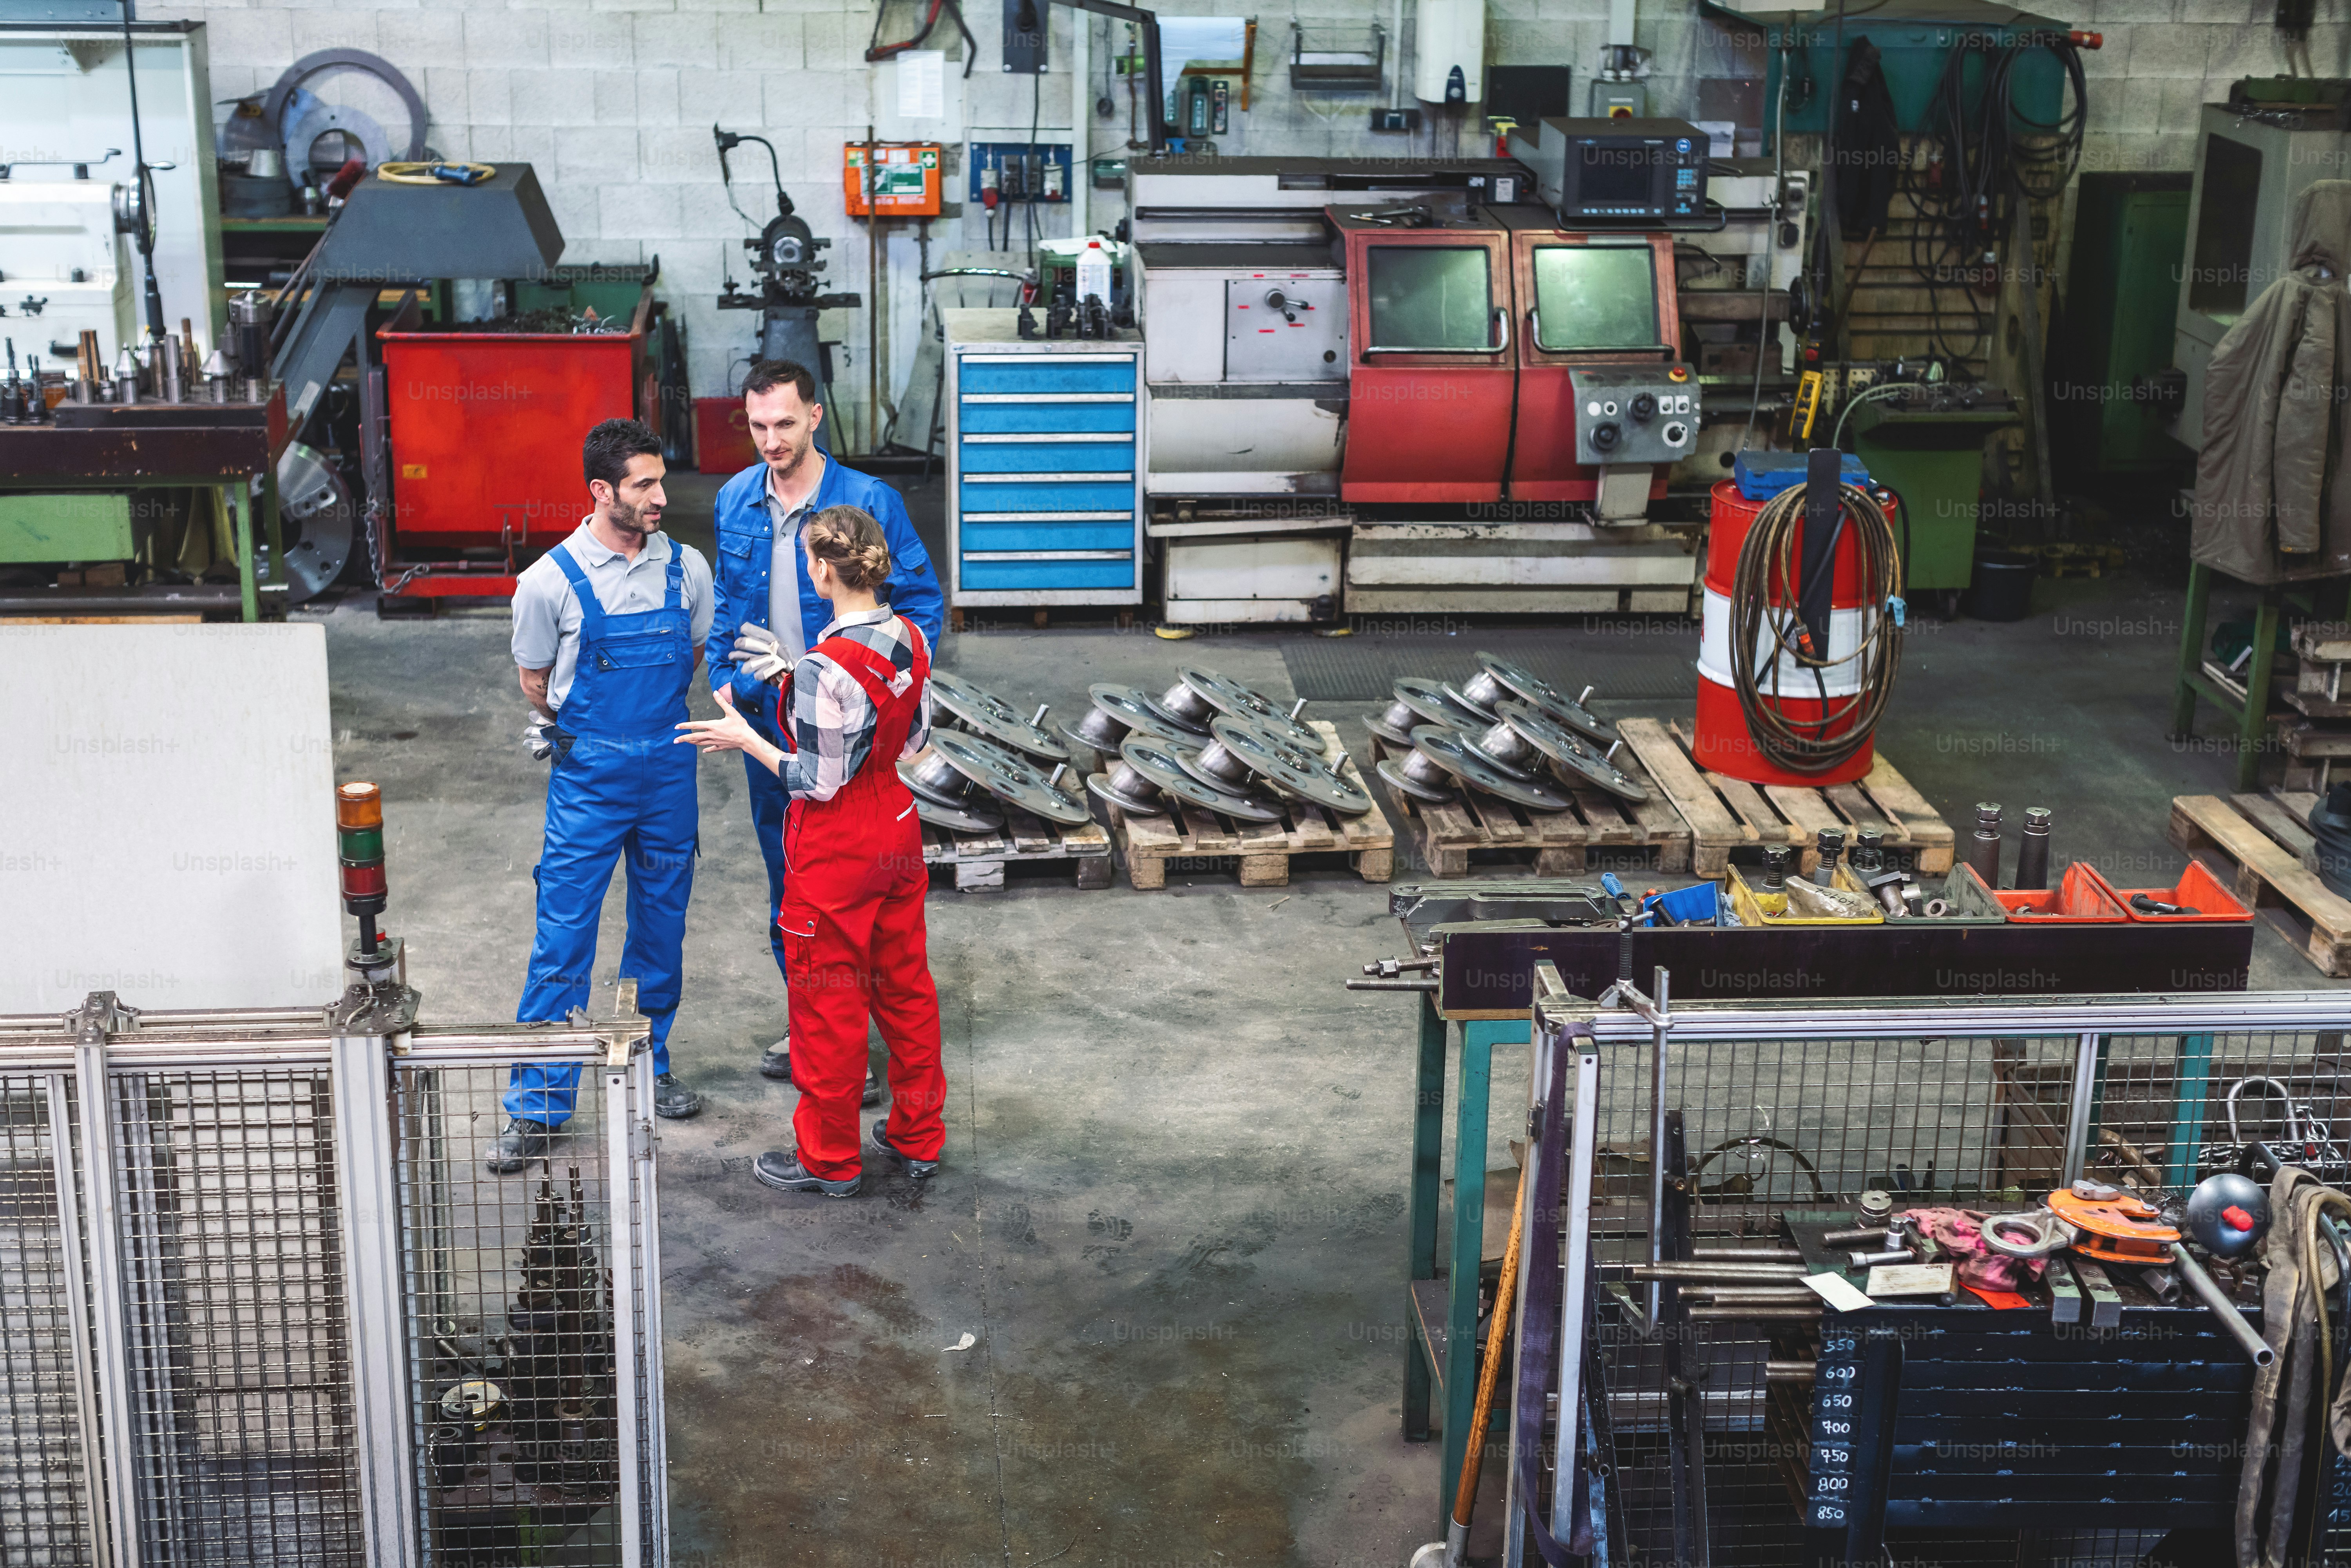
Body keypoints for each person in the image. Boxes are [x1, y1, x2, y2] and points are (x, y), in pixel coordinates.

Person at [678, 505, 947, 1197]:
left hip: (838, 850)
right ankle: (918, 1137)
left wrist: (749, 737)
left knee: (827, 1002)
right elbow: (911, 741)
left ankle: (829, 1159)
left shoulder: (825, 669)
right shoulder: (910, 637)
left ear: (823, 571)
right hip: (896, 825)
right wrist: (797, 678)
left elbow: (815, 780)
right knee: (905, 989)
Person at [708, 359, 944, 1103]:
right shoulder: (735, 499)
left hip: (848, 727)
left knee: (857, 900)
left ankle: (848, 1049)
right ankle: (814, 1022)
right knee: (792, 888)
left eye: (784, 423)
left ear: (815, 416)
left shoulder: (866, 500)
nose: (771, 440)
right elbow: (726, 598)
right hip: (768, 713)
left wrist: (895, 692)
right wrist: (721, 669)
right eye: (757, 426)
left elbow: (921, 603)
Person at [493, 419, 712, 1173]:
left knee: (661, 927)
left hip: (669, 768)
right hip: (589, 778)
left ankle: (651, 1064)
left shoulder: (687, 569)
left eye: (661, 480)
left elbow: (692, 654)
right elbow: (535, 683)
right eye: (643, 485)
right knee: (563, 937)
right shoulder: (547, 581)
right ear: (601, 491)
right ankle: (538, 1105)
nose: (660, 497)